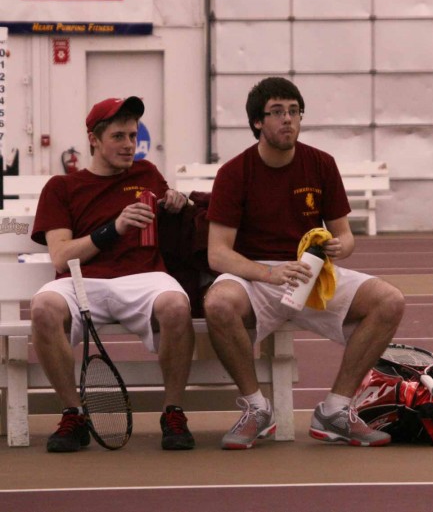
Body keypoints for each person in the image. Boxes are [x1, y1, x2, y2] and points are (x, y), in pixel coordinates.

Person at [204, 77, 405, 450]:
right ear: (257, 123)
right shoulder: (234, 173)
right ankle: (256, 409)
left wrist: (339, 247)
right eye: (277, 112)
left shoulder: (321, 164)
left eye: (294, 111)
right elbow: (218, 253)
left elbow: (345, 236)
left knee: (389, 300)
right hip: (256, 277)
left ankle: (335, 410)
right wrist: (269, 273)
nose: (288, 120)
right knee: (217, 303)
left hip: (312, 274)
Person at [31, 96, 196, 453]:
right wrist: (114, 228)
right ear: (94, 139)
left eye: (133, 136)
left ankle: (173, 413)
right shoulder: (61, 188)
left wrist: (177, 203)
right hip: (81, 280)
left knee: (176, 306)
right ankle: (73, 414)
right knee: (43, 308)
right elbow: (61, 255)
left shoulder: (147, 174)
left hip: (144, 276)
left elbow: (171, 208)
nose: (129, 145)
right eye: (118, 137)